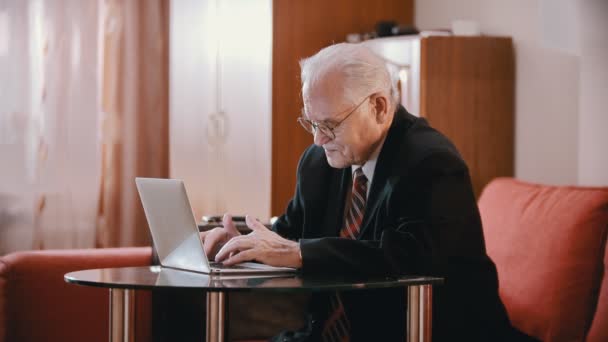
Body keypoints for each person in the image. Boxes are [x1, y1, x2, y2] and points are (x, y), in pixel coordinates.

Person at [201, 43, 524, 341]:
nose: (318, 139)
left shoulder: (431, 162)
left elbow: (412, 257)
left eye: (329, 124)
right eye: (311, 123)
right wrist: (238, 244)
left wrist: (300, 252)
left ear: (379, 107)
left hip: (421, 333)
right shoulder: (319, 162)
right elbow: (291, 234)